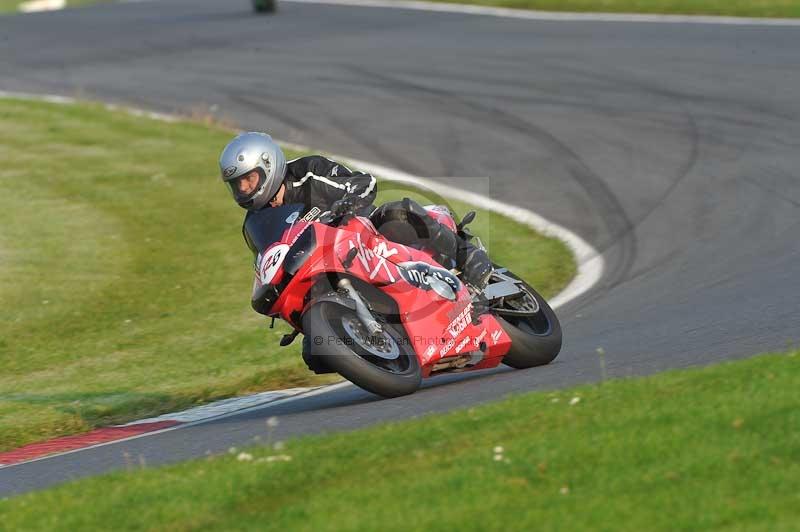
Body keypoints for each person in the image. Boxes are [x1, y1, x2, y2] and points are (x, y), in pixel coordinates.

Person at [219, 131, 492, 290]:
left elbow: (364, 183)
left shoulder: (308, 171)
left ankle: (465, 253)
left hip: (367, 235)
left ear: (268, 165)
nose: (243, 189)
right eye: (237, 185)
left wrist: (346, 202)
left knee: (396, 213)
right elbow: (269, 259)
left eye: (249, 179)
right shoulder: (256, 221)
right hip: (329, 264)